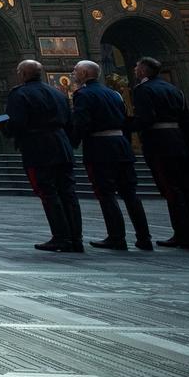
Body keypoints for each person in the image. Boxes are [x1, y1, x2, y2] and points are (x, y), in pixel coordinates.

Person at [70, 60, 152, 251]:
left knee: (106, 193)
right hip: (122, 146)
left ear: (84, 73)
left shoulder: (83, 94)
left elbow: (82, 122)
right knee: (130, 194)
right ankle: (144, 238)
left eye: (75, 71)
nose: (73, 74)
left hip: (100, 148)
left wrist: (73, 143)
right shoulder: (114, 93)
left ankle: (117, 237)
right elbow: (125, 119)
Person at [4, 59, 83, 252]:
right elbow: (71, 123)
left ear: (23, 74)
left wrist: (5, 131)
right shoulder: (59, 93)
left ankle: (60, 237)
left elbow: (17, 123)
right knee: (68, 193)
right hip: (62, 146)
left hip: (38, 147)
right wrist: (70, 144)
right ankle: (76, 238)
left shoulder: (20, 94)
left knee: (48, 192)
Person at [130, 57, 189, 249]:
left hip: (160, 143)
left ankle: (182, 234)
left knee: (171, 189)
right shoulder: (174, 89)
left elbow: (146, 119)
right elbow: (185, 118)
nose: (135, 70)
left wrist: (127, 126)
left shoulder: (143, 90)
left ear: (144, 71)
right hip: (181, 142)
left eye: (137, 67)